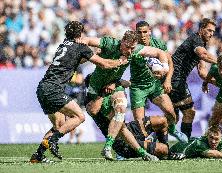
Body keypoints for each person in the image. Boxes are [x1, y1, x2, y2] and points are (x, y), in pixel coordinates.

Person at [30, 21, 128, 163]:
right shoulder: (80, 46)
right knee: (80, 116)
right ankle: (53, 140)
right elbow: (104, 64)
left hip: (42, 88)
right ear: (81, 33)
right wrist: (120, 61)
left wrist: (94, 53)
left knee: (59, 125)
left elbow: (76, 60)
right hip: (54, 89)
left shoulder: (63, 44)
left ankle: (38, 155)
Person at [77, 30, 169, 160]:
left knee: (121, 109)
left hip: (115, 85)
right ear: (122, 42)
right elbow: (89, 40)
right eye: (128, 47)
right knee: (116, 121)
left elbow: (159, 52)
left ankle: (108, 147)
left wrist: (164, 67)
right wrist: (83, 41)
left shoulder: (135, 50)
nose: (130, 51)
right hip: (98, 91)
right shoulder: (110, 43)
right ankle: (137, 150)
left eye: (133, 48)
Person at [130, 21, 187, 143]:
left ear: (149, 31)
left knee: (171, 113)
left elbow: (170, 63)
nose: (142, 35)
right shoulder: (132, 47)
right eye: (139, 32)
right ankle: (127, 149)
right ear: (136, 33)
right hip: (138, 87)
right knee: (140, 124)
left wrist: (167, 81)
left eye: (145, 32)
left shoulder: (158, 44)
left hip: (155, 85)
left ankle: (172, 129)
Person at [169, 18, 217, 139]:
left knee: (172, 118)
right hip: (176, 79)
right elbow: (203, 54)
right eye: (209, 30)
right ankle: (185, 144)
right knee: (189, 112)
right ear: (201, 30)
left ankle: (152, 143)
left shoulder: (200, 44)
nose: (211, 34)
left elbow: (202, 71)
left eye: (213, 31)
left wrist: (215, 82)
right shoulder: (196, 39)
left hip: (175, 80)